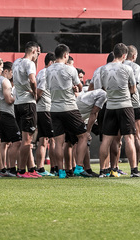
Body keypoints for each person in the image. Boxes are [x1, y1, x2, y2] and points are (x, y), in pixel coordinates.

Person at [98, 43, 140, 177]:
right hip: (125, 106)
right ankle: (134, 170)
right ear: (124, 55)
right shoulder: (127, 68)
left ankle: (102, 170)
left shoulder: (103, 69)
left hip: (110, 106)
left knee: (106, 139)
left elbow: (104, 88)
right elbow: (133, 88)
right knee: (129, 137)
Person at [47, 44, 87, 178]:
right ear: (65, 55)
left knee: (59, 142)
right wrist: (75, 88)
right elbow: (80, 87)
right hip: (69, 107)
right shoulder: (70, 69)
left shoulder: (47, 70)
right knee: (83, 136)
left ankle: (61, 171)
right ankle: (79, 167)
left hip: (53, 108)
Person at [13, 41, 41, 177]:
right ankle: (21, 170)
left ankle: (31, 169)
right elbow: (32, 79)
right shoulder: (29, 63)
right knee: (27, 140)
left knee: (26, 138)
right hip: (27, 103)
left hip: (18, 103)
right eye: (37, 53)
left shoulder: (16, 62)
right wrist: (35, 93)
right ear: (34, 51)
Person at [76, 88, 107, 177]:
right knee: (80, 140)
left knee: (80, 141)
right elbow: (94, 113)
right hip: (77, 114)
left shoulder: (94, 93)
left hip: (79, 113)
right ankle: (78, 168)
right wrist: (88, 132)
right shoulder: (103, 94)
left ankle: (85, 169)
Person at [0, 61, 21, 177]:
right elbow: (8, 100)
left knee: (4, 142)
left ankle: (2, 168)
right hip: (6, 113)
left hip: (0, 113)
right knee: (17, 141)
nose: (12, 75)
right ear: (6, 71)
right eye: (11, 72)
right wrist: (18, 96)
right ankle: (12, 168)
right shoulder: (5, 81)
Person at [35, 52, 56, 176]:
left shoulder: (41, 72)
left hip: (42, 109)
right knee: (52, 139)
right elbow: (40, 91)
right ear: (51, 63)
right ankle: (54, 167)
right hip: (46, 109)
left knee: (43, 140)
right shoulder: (45, 73)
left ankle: (41, 168)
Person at [123, 45, 140, 167]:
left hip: (120, 103)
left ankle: (112, 167)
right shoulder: (135, 67)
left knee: (118, 138)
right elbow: (133, 86)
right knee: (137, 137)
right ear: (134, 56)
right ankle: (136, 165)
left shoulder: (119, 65)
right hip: (134, 104)